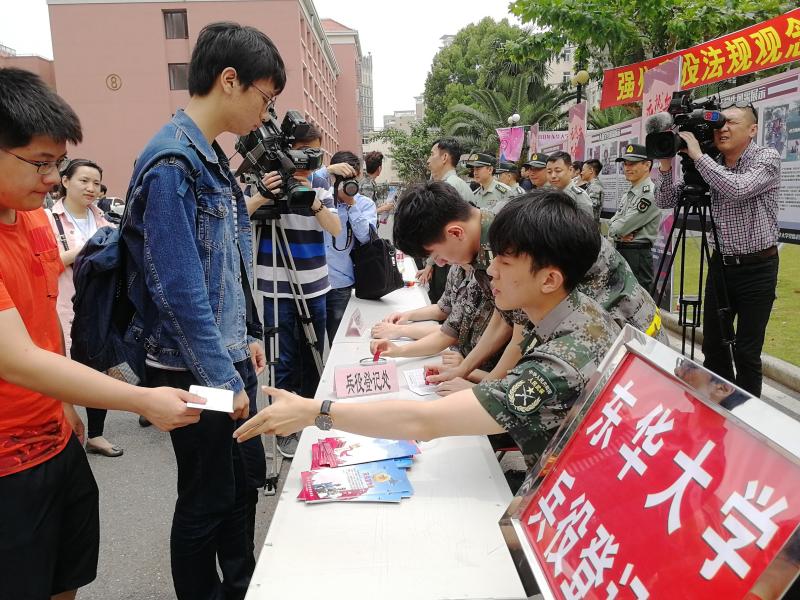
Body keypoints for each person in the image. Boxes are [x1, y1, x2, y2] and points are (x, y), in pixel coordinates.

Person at [233, 191, 621, 475]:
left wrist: (314, 411)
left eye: (503, 263)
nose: (493, 273)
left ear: (550, 279)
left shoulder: (560, 361)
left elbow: (425, 422)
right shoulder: (569, 314)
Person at [0, 67, 201, 600]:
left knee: (66, 578)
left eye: (57, 164)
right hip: (6, 465)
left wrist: (65, 408)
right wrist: (142, 399)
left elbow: (47, 324)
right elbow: (15, 358)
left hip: (55, 440)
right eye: (40, 163)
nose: (52, 179)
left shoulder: (33, 220)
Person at [120, 23, 285, 599]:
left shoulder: (207, 158)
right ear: (230, 80)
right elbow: (179, 288)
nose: (267, 112)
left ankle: (240, 584)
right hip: (193, 366)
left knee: (241, 483)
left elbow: (231, 266)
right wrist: (222, 374)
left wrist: (250, 335)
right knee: (207, 493)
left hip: (225, 353)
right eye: (265, 97)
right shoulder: (172, 162)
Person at [655, 103, 780, 398]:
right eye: (719, 125)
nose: (722, 129)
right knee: (714, 344)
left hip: (758, 268)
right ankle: (718, 408)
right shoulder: (712, 164)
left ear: (752, 129)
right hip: (721, 264)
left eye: (731, 123)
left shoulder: (766, 158)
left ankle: (748, 417)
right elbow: (665, 199)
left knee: (747, 352)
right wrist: (665, 163)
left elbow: (737, 188)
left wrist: (699, 156)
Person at [249, 121, 341, 459]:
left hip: (315, 284)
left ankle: (312, 415)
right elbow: (236, 220)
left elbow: (335, 227)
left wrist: (314, 202)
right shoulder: (264, 179)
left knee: (313, 355)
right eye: (302, 151)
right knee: (283, 359)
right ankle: (285, 425)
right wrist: (261, 195)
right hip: (276, 286)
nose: (307, 159)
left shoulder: (320, 182)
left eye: (314, 153)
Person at [45, 158, 123, 457]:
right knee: (59, 368)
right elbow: (43, 266)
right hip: (62, 305)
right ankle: (63, 431)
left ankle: (97, 434)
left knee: (97, 369)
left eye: (96, 183)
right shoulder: (49, 220)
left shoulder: (103, 218)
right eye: (84, 181)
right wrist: (87, 251)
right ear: (65, 181)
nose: (91, 188)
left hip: (97, 307)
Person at [324, 151, 377, 343]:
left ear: (358, 177)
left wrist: (351, 204)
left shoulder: (364, 204)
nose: (347, 183)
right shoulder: (320, 199)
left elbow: (365, 238)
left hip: (341, 286)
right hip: (313, 285)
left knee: (340, 342)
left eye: (351, 179)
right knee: (309, 347)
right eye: (341, 178)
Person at [419, 138, 472, 304]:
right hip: (451, 259)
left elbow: (443, 232)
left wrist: (430, 264)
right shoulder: (450, 184)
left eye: (432, 154)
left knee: (445, 305)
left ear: (444, 157)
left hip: (452, 261)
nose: (428, 160)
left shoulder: (449, 187)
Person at [608, 144, 661, 291]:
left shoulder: (650, 193)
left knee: (639, 302)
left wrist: (616, 231)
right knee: (621, 300)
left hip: (637, 255)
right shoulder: (630, 192)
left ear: (647, 165)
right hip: (623, 250)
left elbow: (622, 226)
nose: (627, 168)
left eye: (632, 163)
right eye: (625, 163)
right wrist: (617, 234)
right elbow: (615, 225)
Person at [546, 151, 593, 216]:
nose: (553, 175)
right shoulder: (548, 193)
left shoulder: (579, 198)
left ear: (570, 170)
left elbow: (586, 225)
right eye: (549, 172)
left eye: (558, 171)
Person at [580, 158, 604, 223]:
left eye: (583, 170)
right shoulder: (591, 185)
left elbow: (590, 209)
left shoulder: (595, 187)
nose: (581, 173)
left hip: (590, 227)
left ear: (591, 170)